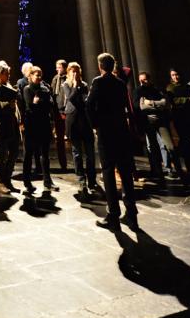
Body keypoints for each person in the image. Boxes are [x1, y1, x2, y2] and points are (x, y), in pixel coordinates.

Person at [87, 51, 137, 229]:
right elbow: (125, 106)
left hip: (106, 132)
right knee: (125, 172)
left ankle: (113, 215)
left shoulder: (98, 82)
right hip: (121, 131)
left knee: (108, 172)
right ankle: (132, 213)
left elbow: (89, 105)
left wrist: (95, 125)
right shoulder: (121, 84)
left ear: (100, 66)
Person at [133, 72, 178, 185]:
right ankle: (157, 170)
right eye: (140, 80)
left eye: (144, 79)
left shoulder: (156, 90)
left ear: (149, 79)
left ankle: (171, 169)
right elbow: (140, 106)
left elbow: (165, 103)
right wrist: (157, 105)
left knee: (168, 146)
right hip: (147, 122)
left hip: (161, 120)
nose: (142, 82)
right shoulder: (138, 91)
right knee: (152, 147)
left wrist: (150, 103)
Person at [21, 65, 58, 194]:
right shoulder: (27, 89)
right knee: (29, 154)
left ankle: (47, 181)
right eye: (36, 75)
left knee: (45, 155)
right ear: (30, 76)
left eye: (40, 75)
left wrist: (38, 104)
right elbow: (29, 108)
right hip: (32, 126)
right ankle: (27, 181)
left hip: (44, 125)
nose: (38, 77)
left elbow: (50, 105)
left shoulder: (45, 89)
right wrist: (38, 104)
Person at [62, 62, 96, 196]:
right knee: (77, 153)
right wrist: (75, 87)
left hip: (85, 122)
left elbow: (86, 101)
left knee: (90, 154)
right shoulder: (66, 85)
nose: (75, 74)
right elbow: (71, 99)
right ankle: (81, 179)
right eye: (72, 72)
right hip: (74, 122)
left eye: (77, 71)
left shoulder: (85, 85)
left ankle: (92, 180)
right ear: (69, 73)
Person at [165, 68, 190, 185]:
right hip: (178, 119)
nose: (175, 77)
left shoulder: (187, 87)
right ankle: (183, 170)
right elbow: (172, 101)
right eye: (173, 75)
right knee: (182, 144)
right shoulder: (170, 88)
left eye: (177, 74)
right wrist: (187, 100)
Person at [0, 61, 21, 194]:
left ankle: (8, 179)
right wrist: (7, 104)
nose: (9, 75)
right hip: (2, 125)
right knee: (2, 155)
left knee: (14, 153)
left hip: (12, 123)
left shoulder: (8, 85)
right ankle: (1, 182)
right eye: (6, 73)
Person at [50, 58, 68, 171]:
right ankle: (63, 164)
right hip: (57, 112)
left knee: (72, 137)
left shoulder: (68, 78)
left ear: (65, 68)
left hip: (67, 111)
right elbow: (52, 94)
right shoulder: (55, 79)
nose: (57, 69)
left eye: (59, 67)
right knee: (60, 139)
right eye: (57, 67)